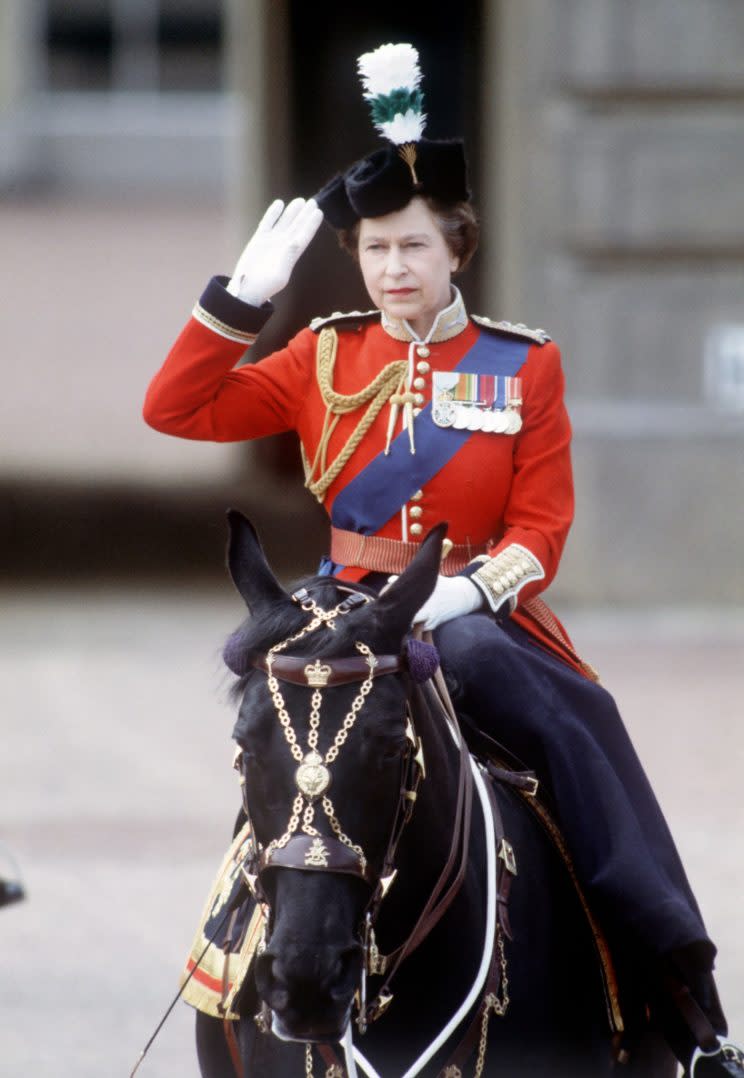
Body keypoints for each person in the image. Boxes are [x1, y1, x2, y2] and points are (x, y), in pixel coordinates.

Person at [144, 42, 742, 1076]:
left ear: (456, 248)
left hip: (473, 609)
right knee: (285, 729)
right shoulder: (323, 355)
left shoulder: (524, 365)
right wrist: (240, 299)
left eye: (413, 247)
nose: (392, 271)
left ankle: (678, 987)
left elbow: (544, 526)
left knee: (579, 725)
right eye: (375, 250)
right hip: (347, 600)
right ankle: (239, 960)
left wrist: (466, 591)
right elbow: (176, 407)